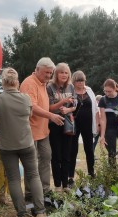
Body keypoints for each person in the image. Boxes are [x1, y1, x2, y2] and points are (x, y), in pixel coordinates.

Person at [0, 67, 46, 217]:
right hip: (26, 142)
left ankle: (22, 215)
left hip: (7, 145)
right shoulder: (26, 98)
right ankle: (40, 213)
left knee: (14, 179)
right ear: (17, 82)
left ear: (3, 82)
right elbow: (30, 116)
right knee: (34, 176)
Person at [20, 57, 64, 200]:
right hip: (30, 132)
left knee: (46, 158)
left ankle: (45, 190)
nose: (49, 76)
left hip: (43, 131)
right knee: (31, 164)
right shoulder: (29, 83)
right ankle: (29, 194)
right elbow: (31, 106)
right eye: (46, 73)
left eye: (51, 73)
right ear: (37, 69)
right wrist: (51, 116)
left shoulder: (43, 83)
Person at [47, 63, 76, 192]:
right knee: (56, 156)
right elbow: (49, 108)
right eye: (61, 72)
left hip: (68, 123)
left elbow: (75, 105)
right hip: (54, 124)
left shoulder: (71, 86)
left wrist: (68, 108)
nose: (64, 75)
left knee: (66, 155)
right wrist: (62, 102)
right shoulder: (50, 87)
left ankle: (65, 185)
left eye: (66, 72)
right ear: (56, 74)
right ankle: (57, 186)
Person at [68, 71, 99, 184]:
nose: (81, 83)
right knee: (73, 150)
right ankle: (70, 176)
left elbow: (96, 109)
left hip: (88, 124)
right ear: (74, 81)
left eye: (83, 80)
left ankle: (91, 173)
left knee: (89, 149)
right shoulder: (70, 91)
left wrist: (98, 124)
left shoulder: (89, 91)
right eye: (78, 80)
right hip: (74, 124)